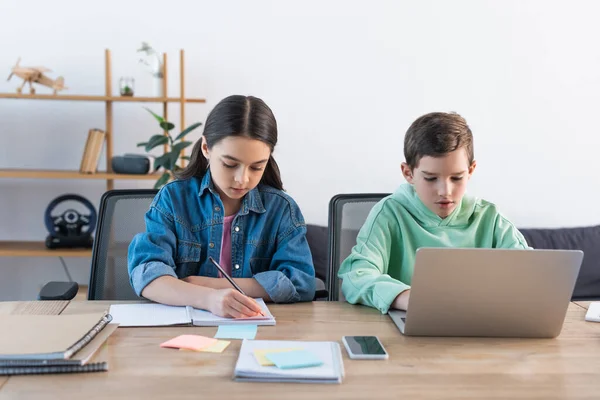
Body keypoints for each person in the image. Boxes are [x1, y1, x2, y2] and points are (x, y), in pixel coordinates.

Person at [128, 95, 316, 318]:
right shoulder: (173, 199)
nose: (242, 179)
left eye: (256, 167)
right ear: (206, 148)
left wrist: (212, 285)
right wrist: (208, 298)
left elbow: (302, 283)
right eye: (229, 164)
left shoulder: (281, 208)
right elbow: (147, 274)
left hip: (258, 332)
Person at [337, 112, 528, 314]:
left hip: (479, 327)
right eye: (430, 178)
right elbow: (355, 276)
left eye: (456, 178)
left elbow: (529, 274)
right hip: (409, 328)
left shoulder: (490, 218)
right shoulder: (389, 213)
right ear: (408, 173)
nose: (445, 191)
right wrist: (407, 299)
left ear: (471, 171)